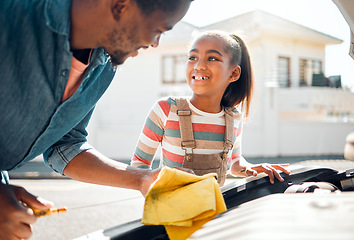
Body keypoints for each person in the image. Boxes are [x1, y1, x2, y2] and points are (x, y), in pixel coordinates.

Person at [0, 0, 193, 239]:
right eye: (159, 30)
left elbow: (65, 144)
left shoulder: (106, 65)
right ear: (121, 5)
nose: (154, 44)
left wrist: (143, 178)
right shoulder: (10, 16)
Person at [131, 31, 291, 186]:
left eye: (212, 58)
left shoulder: (233, 118)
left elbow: (235, 163)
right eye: (192, 57)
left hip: (214, 212)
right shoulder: (166, 110)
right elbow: (139, 164)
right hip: (168, 211)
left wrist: (250, 169)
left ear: (234, 73)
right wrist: (157, 190)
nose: (199, 65)